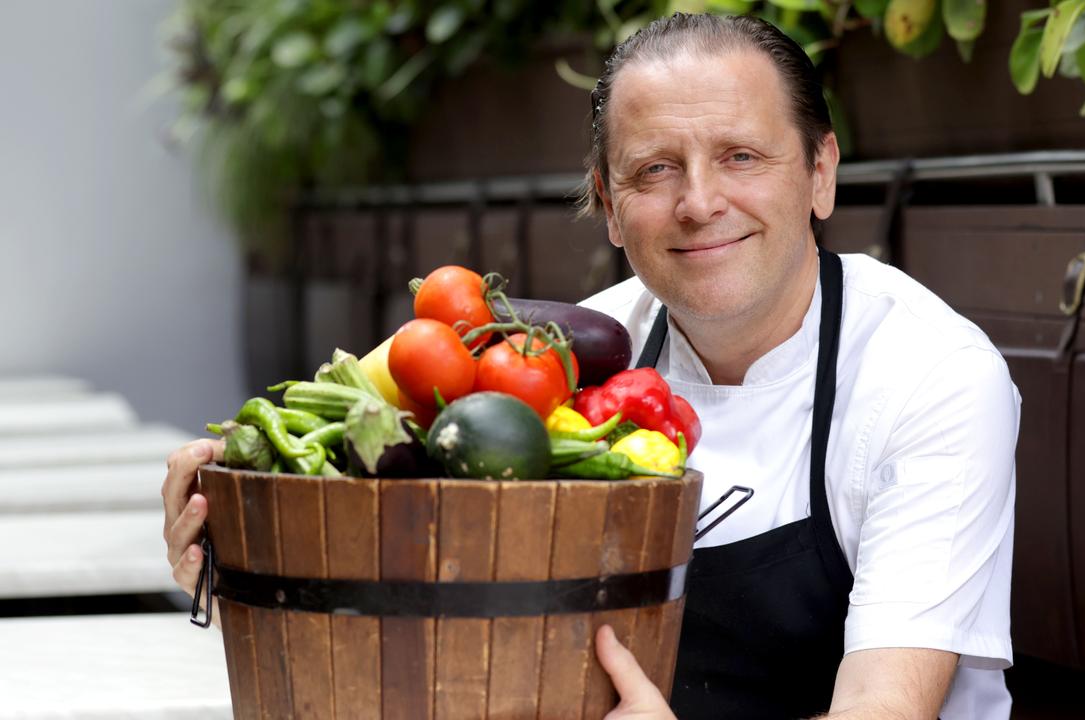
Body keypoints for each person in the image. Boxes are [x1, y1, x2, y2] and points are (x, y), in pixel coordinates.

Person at [163, 13, 1019, 720]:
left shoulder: (926, 375)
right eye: (655, 170)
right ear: (609, 207)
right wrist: (242, 498)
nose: (699, 201)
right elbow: (390, 461)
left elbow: (885, 712)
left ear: (821, 173)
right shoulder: (563, 355)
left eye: (741, 157)